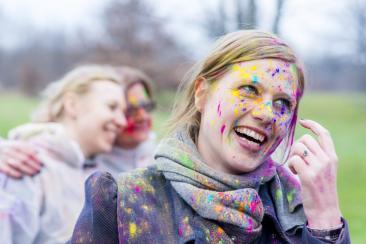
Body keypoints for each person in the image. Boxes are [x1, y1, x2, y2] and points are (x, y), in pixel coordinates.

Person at [70, 30, 350, 244]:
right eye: (249, 90)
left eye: (282, 104)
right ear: (202, 93)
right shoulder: (122, 201)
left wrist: (326, 221)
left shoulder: (300, 211)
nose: (266, 114)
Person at [0, 65, 127, 244]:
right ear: (72, 105)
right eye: (112, 107)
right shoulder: (25, 165)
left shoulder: (103, 170)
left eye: (123, 112)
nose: (122, 122)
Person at [0, 66, 156, 179]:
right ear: (73, 105)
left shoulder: (156, 159)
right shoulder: (32, 161)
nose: (142, 116)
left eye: (146, 106)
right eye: (129, 110)